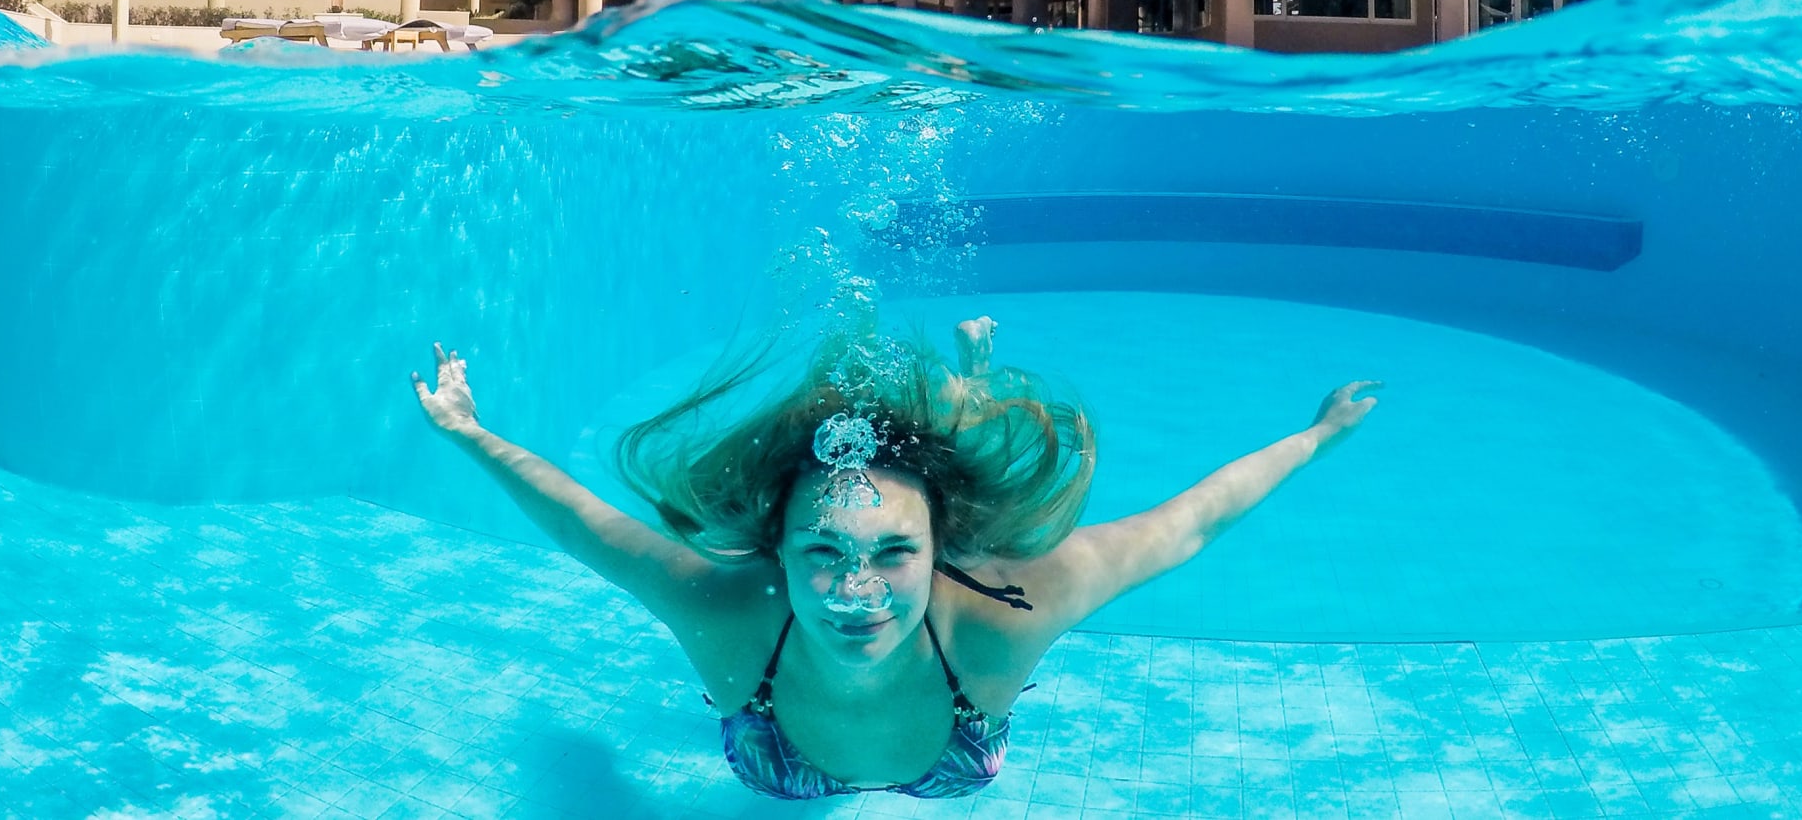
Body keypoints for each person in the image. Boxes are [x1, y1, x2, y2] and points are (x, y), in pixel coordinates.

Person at [412, 315, 1377, 800]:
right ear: (776, 548)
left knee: (954, 467)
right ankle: (966, 390)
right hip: (784, 732)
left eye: (895, 550)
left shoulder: (1007, 618)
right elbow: (584, 523)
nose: (855, 591)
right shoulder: (727, 616)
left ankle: (971, 391)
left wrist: (1318, 436)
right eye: (822, 548)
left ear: (940, 549)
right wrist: (467, 432)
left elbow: (1190, 522)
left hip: (946, 711)